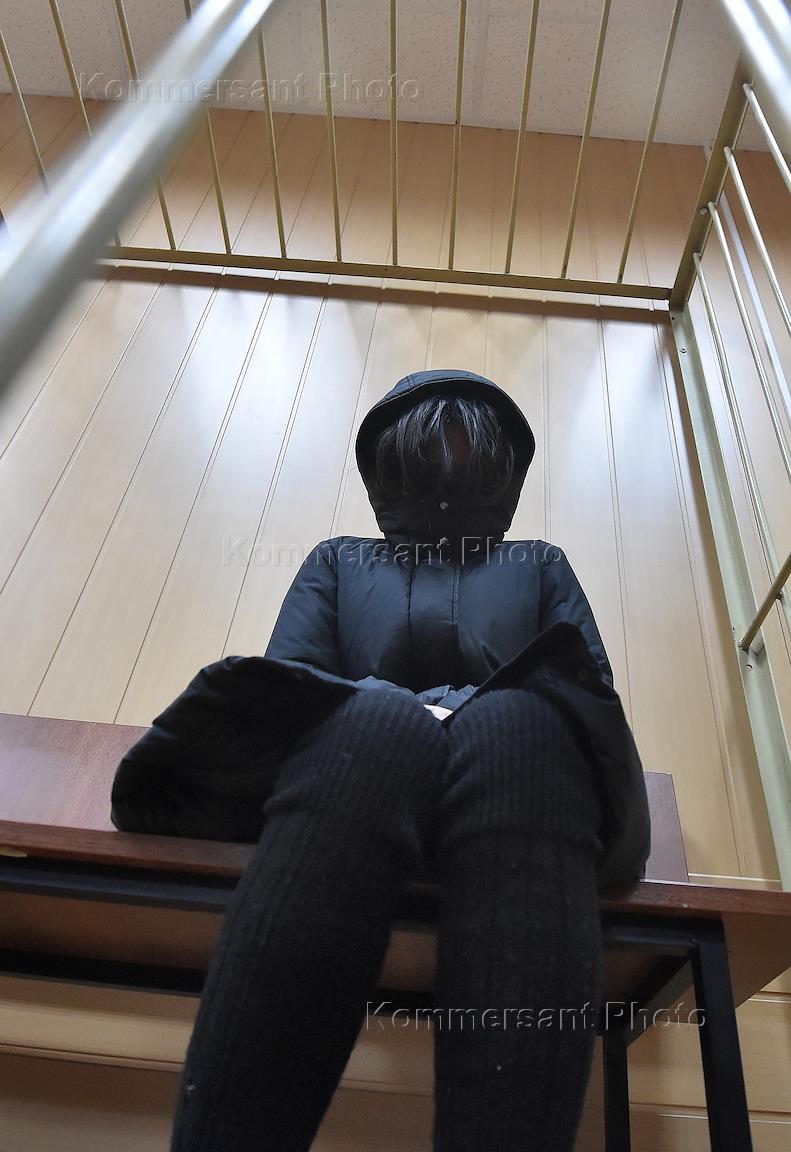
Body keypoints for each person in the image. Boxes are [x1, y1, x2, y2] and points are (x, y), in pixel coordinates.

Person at [111, 367, 651, 1151]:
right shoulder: (339, 560)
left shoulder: (538, 562)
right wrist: (413, 714)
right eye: (431, 446)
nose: (449, 463)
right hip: (357, 789)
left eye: (468, 448)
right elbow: (294, 689)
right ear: (391, 459)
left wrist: (458, 714)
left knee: (523, 726)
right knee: (372, 720)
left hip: (518, 795)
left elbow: (581, 695)